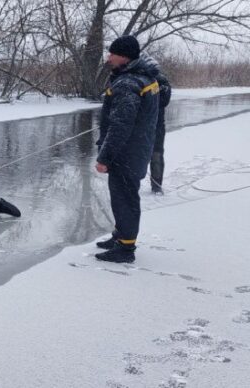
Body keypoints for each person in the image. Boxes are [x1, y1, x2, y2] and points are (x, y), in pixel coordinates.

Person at [94, 35, 160, 263]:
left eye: (112, 54)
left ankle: (125, 249)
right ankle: (121, 236)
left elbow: (121, 125)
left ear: (123, 56)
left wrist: (105, 157)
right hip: (138, 149)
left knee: (124, 199)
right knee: (123, 197)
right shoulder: (145, 78)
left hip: (127, 154)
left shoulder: (129, 83)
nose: (109, 57)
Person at [145, 54, 172, 194]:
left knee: (156, 155)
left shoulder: (162, 82)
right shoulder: (140, 81)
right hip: (141, 127)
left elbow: (164, 102)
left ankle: (156, 186)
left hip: (157, 127)